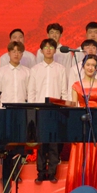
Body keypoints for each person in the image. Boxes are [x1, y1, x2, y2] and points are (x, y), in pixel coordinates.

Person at [66, 54, 97, 193]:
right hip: (81, 125)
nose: (90, 68)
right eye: (88, 65)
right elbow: (74, 109)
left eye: (93, 65)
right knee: (80, 161)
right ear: (83, 67)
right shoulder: (76, 85)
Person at [29, 39, 69, 183]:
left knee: (54, 143)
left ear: (55, 50)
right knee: (41, 143)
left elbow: (64, 92)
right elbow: (31, 92)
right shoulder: (35, 69)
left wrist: (63, 111)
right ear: (41, 51)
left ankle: (52, 172)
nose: (48, 50)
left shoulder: (61, 69)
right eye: (45, 47)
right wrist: (33, 111)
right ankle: (40, 172)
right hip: (40, 110)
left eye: (51, 47)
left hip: (55, 110)